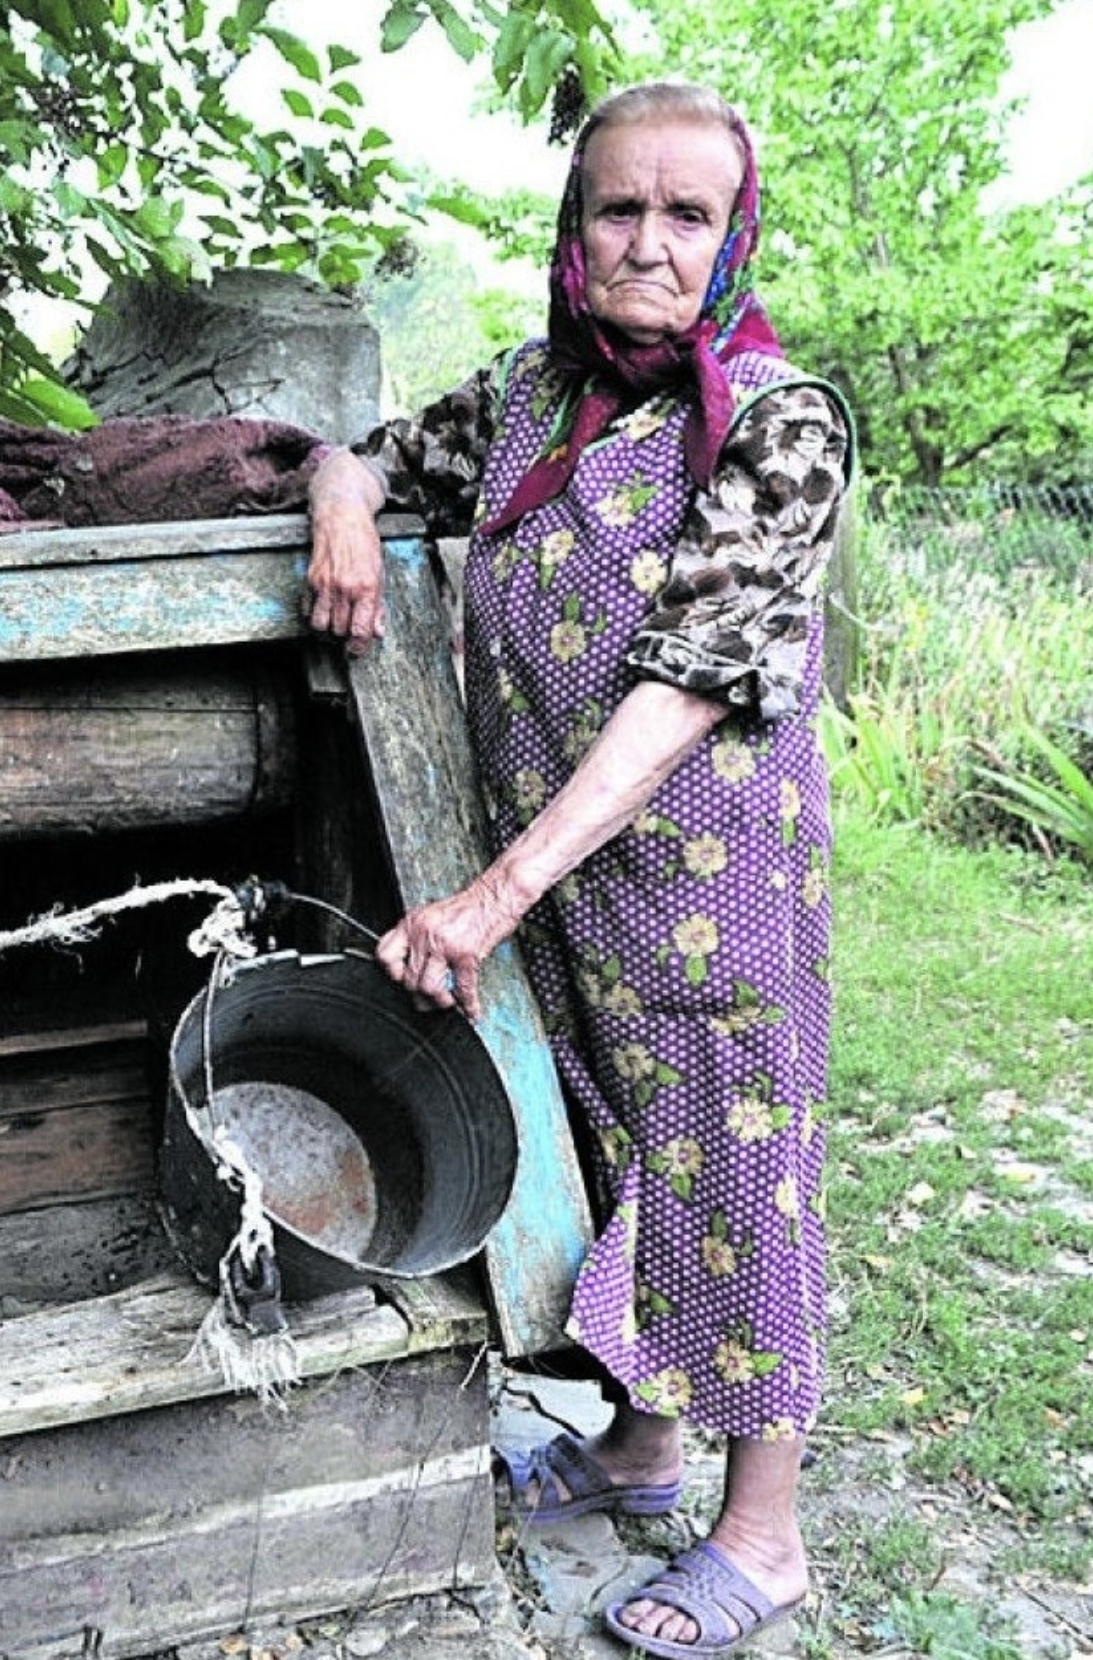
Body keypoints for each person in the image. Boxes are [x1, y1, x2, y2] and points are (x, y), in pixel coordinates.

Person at [305, 80, 852, 1660]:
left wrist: (489, 894)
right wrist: (344, 496)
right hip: (561, 883)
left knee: (733, 1183)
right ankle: (641, 1447)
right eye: (620, 208)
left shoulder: (777, 421)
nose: (649, 245)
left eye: (689, 216)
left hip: (710, 885)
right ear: (572, 226)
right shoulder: (531, 399)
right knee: (608, 1150)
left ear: (733, 234)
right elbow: (379, 457)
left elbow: (687, 683)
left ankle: (767, 1538)